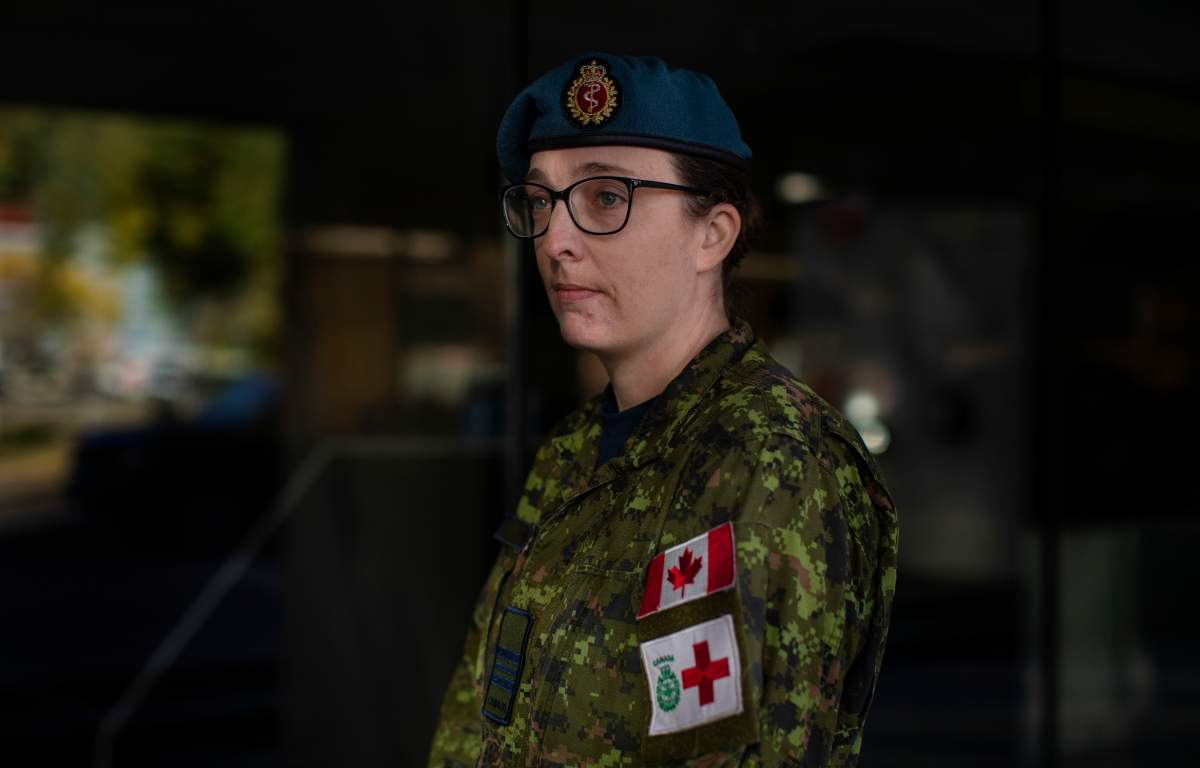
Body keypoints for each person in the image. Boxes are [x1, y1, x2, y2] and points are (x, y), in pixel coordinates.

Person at [429, 53, 899, 767]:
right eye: (540, 200)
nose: (556, 240)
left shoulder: (769, 460)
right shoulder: (576, 448)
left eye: (606, 198)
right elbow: (481, 710)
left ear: (712, 234)